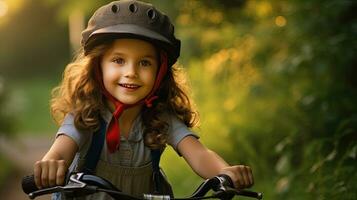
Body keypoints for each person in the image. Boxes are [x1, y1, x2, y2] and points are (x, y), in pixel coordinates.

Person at [33, 0, 254, 199]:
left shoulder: (160, 116)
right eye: (118, 60)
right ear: (98, 66)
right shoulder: (86, 115)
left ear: (160, 72)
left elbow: (199, 153)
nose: (131, 72)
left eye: (145, 63)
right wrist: (51, 163)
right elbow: (61, 150)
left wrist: (224, 172)